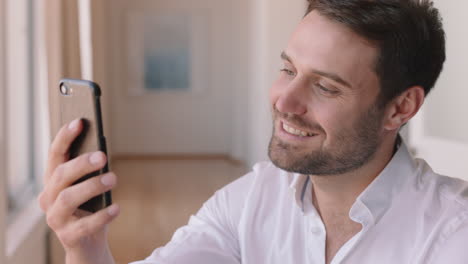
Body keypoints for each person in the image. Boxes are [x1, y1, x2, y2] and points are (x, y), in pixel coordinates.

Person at [38, 0, 468, 263]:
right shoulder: (251, 200)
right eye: (288, 69)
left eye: (324, 86)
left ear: (400, 108)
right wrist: (86, 248)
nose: (284, 100)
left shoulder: (453, 234)